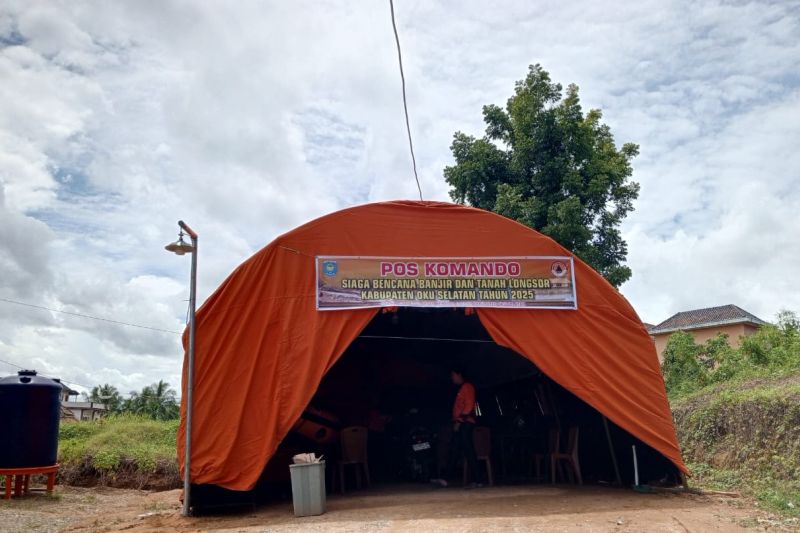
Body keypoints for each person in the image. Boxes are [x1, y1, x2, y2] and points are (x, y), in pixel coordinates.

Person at [450, 367, 482, 488]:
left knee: (468, 450)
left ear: (459, 374)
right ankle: (446, 477)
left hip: (466, 422)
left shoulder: (467, 387)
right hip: (463, 422)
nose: (452, 378)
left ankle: (478, 480)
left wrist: (459, 421)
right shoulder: (462, 388)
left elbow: (468, 407)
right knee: (454, 448)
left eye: (453, 375)